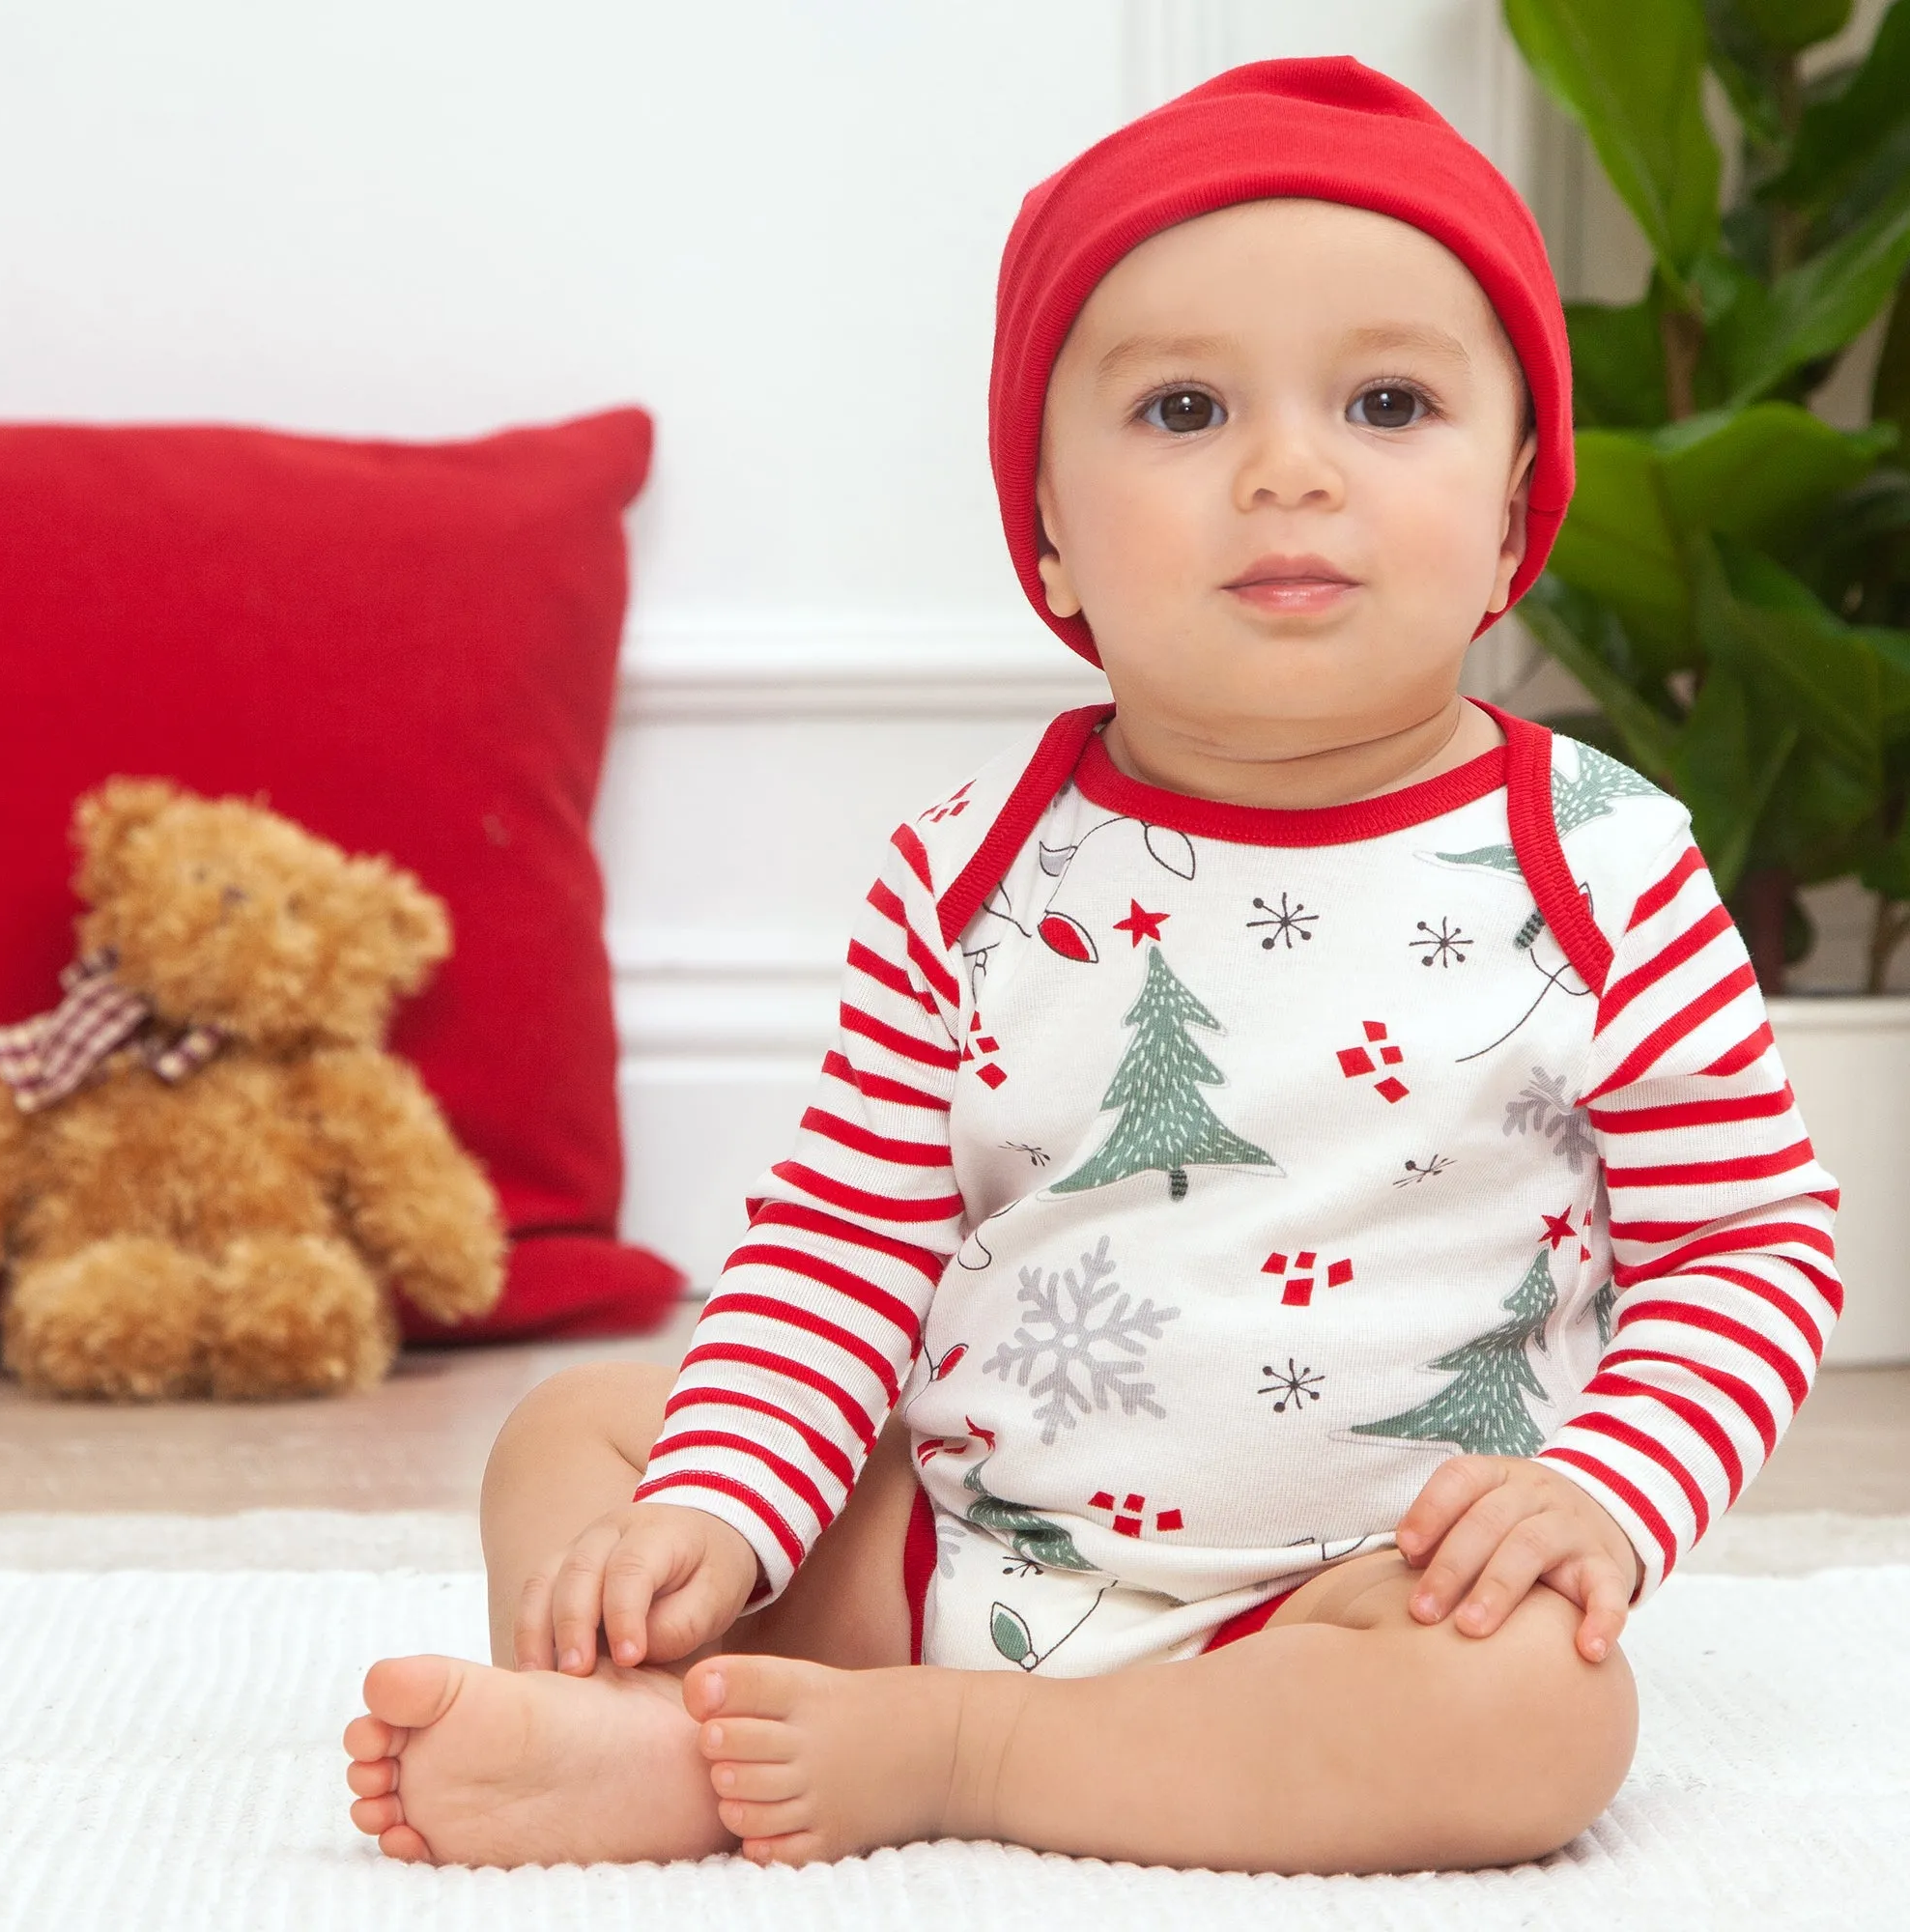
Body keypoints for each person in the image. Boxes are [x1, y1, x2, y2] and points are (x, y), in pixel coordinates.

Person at [342, 58, 1840, 1876]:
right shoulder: (970, 874)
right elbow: (839, 1246)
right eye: (1186, 408)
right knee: (580, 1440)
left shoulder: (1604, 864)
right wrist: (721, 1522)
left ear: (1518, 509)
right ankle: (670, 1728)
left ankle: (957, 1758)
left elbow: (1745, 1246)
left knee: (1539, 1717)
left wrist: (1603, 1492)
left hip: (1348, 1614)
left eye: (1386, 401)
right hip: (960, 1551)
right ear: (1047, 531)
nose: (1290, 468)